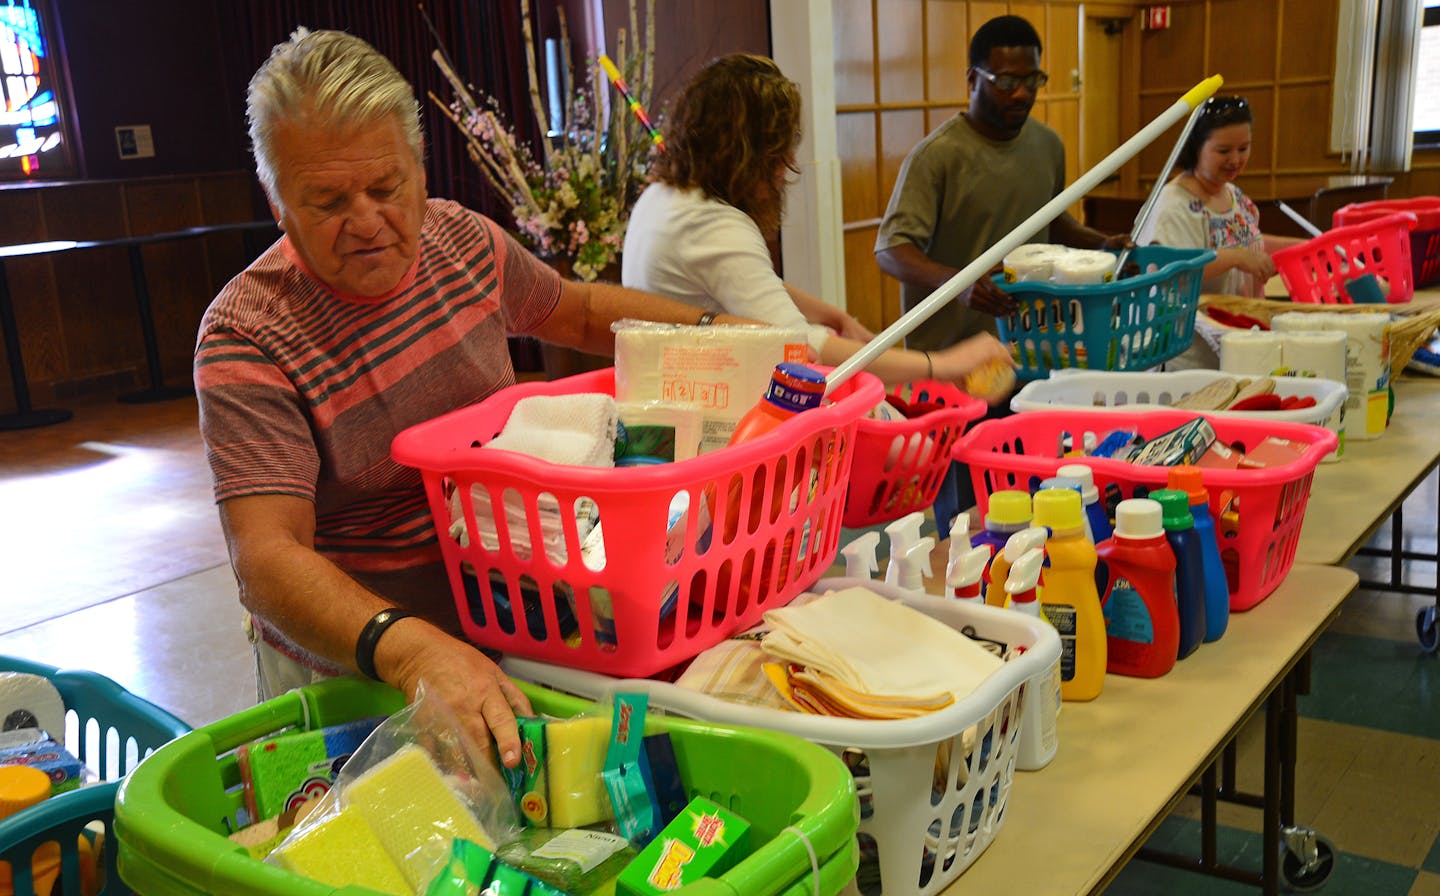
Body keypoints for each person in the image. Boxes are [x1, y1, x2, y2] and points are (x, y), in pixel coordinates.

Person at [195, 28, 753, 768]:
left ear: (421, 172)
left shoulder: (460, 242)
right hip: (359, 661)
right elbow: (266, 558)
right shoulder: (248, 333)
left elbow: (582, 312)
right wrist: (409, 648)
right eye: (326, 201)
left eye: (387, 188)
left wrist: (728, 336)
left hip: (512, 620)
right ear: (275, 198)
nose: (365, 222)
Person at [623, 53, 1014, 389]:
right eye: (779, 150)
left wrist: (837, 317)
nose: (789, 164)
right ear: (746, 154)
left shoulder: (665, 197)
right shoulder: (714, 226)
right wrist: (940, 365)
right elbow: (801, 347)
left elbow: (755, 283)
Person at [873, 14, 1130, 354]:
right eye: (1007, 82)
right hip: (950, 359)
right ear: (972, 79)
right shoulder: (936, 157)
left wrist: (1102, 245)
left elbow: (1049, 222)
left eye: (1033, 80)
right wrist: (957, 283)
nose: (1022, 94)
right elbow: (891, 251)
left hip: (1034, 346)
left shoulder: (1048, 144)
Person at [1144, 95, 1302, 298]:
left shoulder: (1232, 193)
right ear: (1196, 148)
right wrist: (1235, 258)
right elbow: (1175, 272)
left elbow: (1248, 241)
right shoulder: (1174, 205)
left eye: (1243, 148)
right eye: (1224, 151)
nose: (1235, 160)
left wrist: (1304, 247)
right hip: (1195, 326)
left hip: (1238, 322)